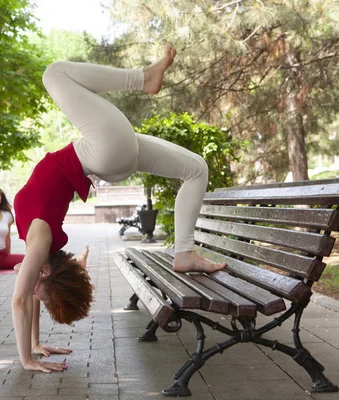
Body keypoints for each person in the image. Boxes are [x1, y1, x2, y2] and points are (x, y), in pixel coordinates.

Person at [12, 45, 227, 373]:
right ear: (44, 271)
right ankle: (144, 79)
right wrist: (28, 355)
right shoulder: (39, 241)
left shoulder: (39, 246)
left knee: (196, 169)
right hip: (103, 152)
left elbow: (25, 299)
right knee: (53, 73)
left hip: (107, 157)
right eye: (39, 293)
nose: (33, 297)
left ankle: (184, 252)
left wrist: (33, 349)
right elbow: (24, 299)